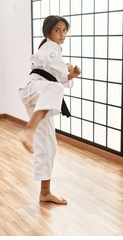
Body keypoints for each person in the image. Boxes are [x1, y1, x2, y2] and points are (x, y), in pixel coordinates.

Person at [18, 15, 81, 205]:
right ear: (48, 33)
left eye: (64, 30)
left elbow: (55, 78)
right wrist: (66, 68)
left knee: (48, 143)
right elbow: (54, 73)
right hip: (33, 88)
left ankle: (45, 192)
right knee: (56, 89)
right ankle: (29, 128)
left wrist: (71, 74)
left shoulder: (54, 50)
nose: (62, 34)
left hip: (40, 92)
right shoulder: (49, 48)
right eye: (57, 30)